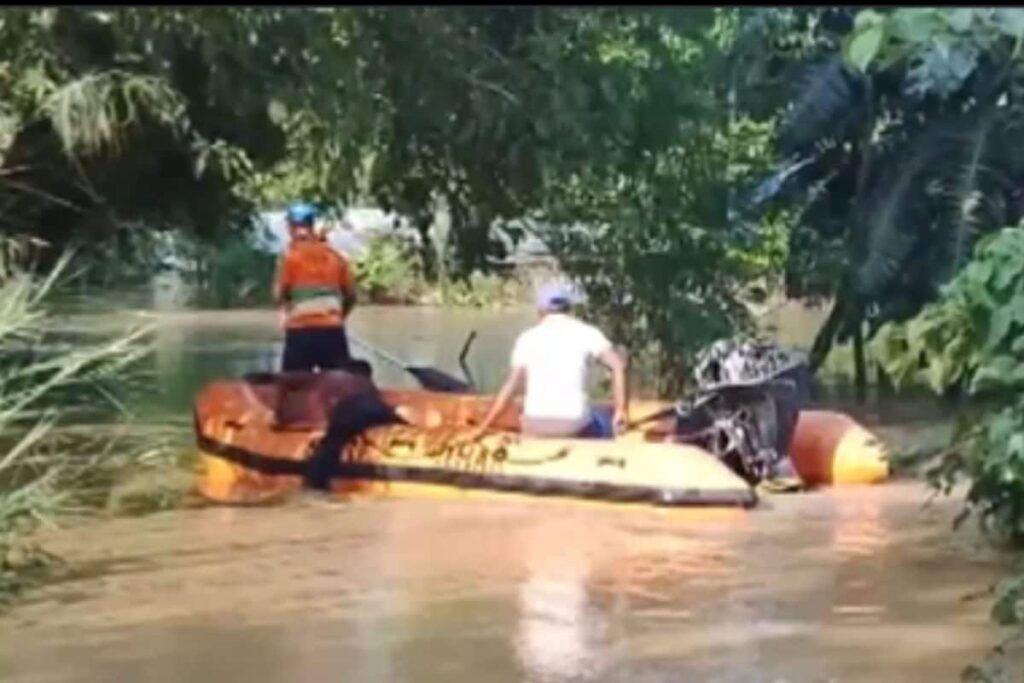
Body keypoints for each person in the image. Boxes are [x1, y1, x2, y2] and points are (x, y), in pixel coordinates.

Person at [467, 282, 629, 440]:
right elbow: (617, 366)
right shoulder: (587, 332)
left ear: (541, 311)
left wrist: (484, 426)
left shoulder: (527, 338)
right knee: (604, 416)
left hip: (534, 423)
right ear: (569, 309)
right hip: (572, 423)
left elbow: (511, 387)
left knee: (527, 414)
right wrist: (620, 410)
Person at [273, 201, 357, 372]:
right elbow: (351, 296)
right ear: (311, 225)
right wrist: (339, 318)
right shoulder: (336, 257)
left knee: (294, 389)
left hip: (300, 334)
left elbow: (279, 294)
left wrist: (285, 311)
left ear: (291, 226)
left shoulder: (290, 257)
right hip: (333, 333)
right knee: (338, 390)